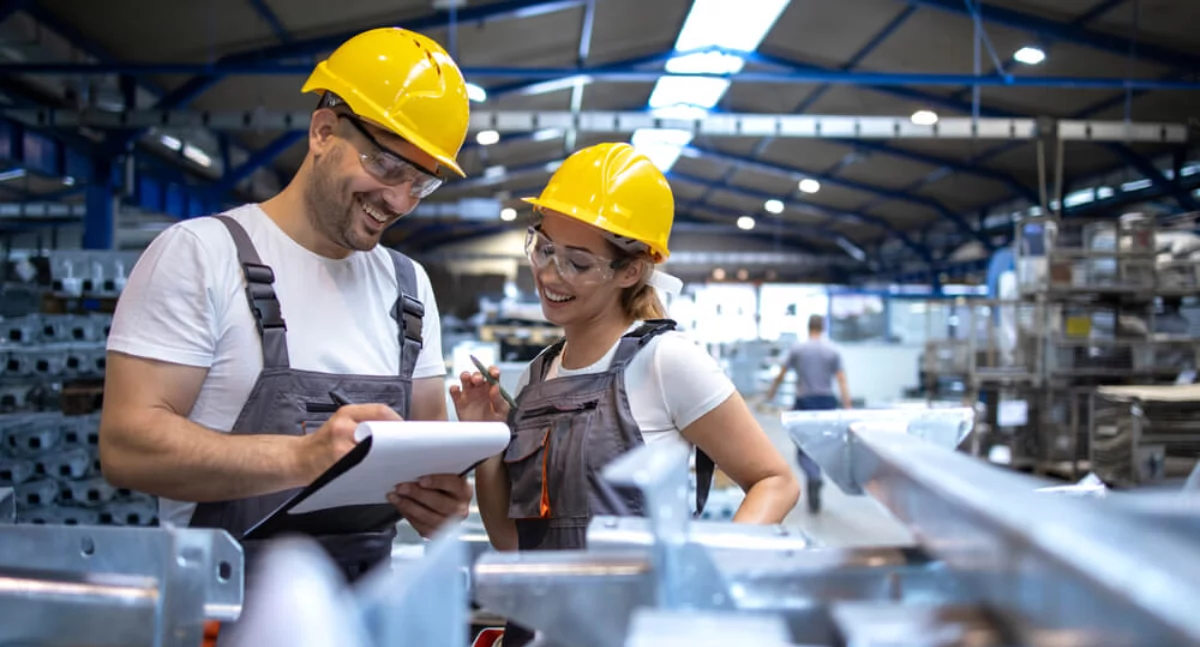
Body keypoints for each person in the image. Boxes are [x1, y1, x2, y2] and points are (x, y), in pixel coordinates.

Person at [98, 27, 474, 591]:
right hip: (221, 615)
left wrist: (441, 502)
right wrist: (302, 459)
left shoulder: (409, 287)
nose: (398, 201)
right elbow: (126, 447)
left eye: (421, 184)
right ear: (324, 131)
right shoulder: (202, 255)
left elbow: (423, 458)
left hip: (360, 614)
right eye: (387, 167)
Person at [451, 142, 801, 647]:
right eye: (544, 248)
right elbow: (514, 546)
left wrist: (702, 583)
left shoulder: (664, 361)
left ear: (631, 270)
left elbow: (776, 481)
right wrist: (486, 440)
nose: (550, 275)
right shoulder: (535, 378)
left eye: (577, 262)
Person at [764, 314, 852, 514]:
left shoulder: (798, 349)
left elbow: (782, 373)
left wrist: (771, 394)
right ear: (823, 327)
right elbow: (841, 379)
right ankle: (817, 474)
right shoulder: (832, 350)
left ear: (808, 326)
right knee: (823, 444)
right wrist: (847, 405)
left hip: (804, 401)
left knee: (804, 447)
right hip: (827, 402)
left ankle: (812, 475)